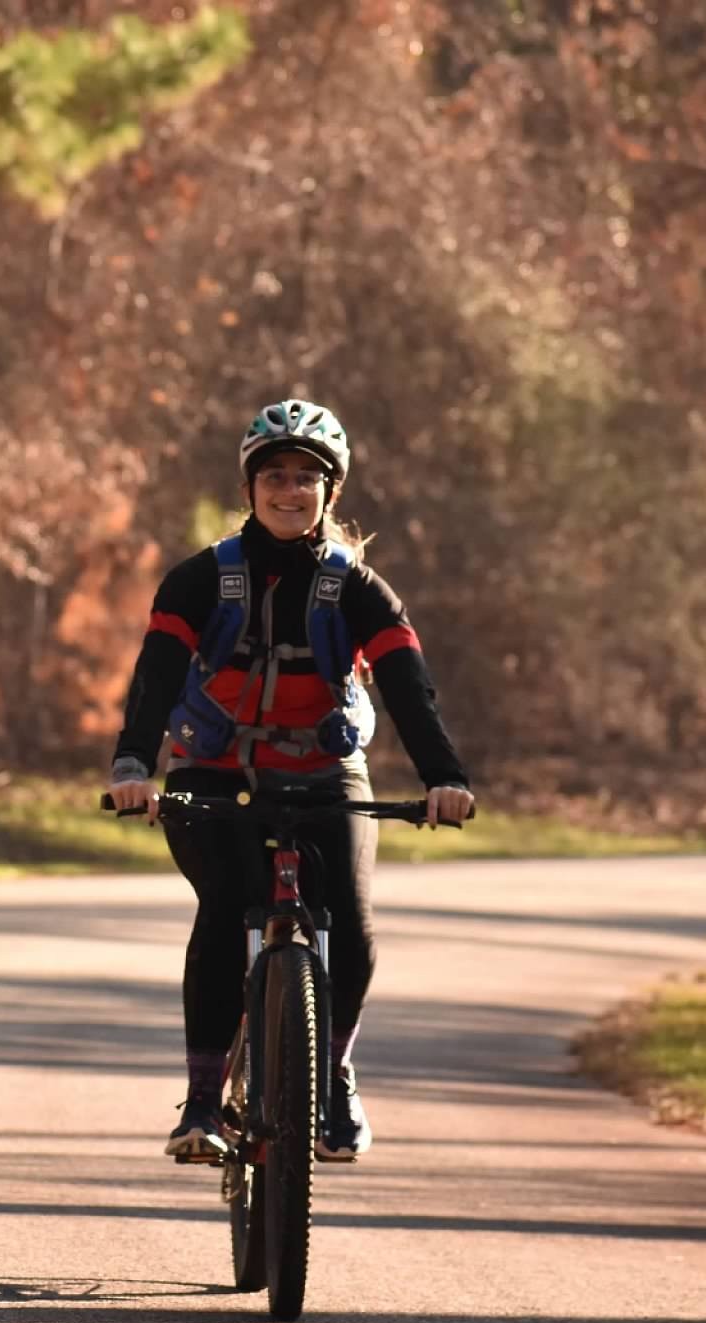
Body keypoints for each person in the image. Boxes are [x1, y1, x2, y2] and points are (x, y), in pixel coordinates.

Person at [108, 399, 473, 1164]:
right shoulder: (198, 580)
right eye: (274, 474)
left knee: (352, 923)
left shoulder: (361, 589)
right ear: (249, 487)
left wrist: (444, 778)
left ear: (329, 494)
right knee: (223, 912)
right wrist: (134, 767)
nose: (289, 490)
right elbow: (156, 678)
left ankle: (332, 1076)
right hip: (211, 774)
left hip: (323, 773)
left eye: (307, 478)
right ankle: (204, 1104)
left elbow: (410, 686)